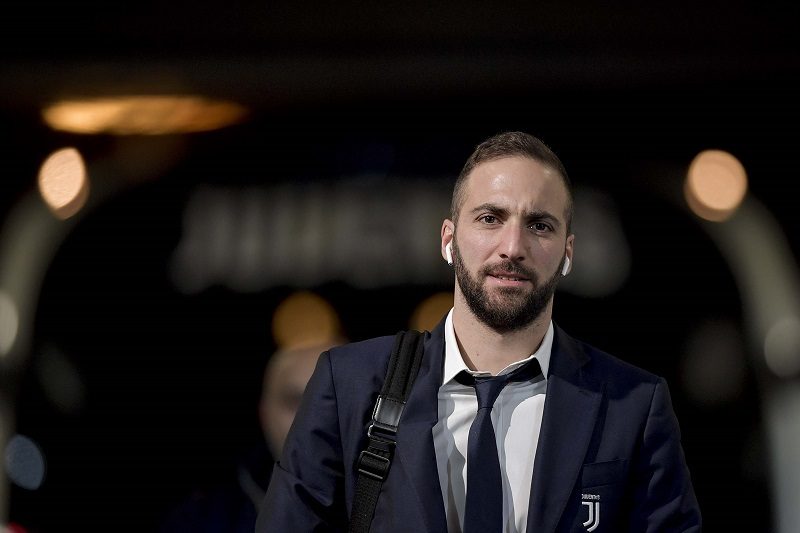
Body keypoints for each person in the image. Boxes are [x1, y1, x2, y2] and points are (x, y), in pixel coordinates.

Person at [257, 131, 702, 532]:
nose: (513, 247)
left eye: (539, 225)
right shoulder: (349, 385)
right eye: (490, 218)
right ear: (448, 240)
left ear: (568, 251)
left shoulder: (632, 404)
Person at [160, 340, 342, 532]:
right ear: (265, 414)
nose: (314, 419)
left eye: (337, 400)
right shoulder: (200, 519)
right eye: (295, 401)